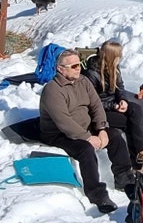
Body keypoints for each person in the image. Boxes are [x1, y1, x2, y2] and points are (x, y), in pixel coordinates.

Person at [37, 50, 117, 214]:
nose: (78, 68)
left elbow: (96, 106)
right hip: (59, 134)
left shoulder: (83, 81)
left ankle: (125, 178)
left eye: (79, 64)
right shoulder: (52, 90)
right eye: (73, 66)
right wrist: (87, 137)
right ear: (60, 69)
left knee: (114, 135)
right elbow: (63, 121)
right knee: (85, 150)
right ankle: (97, 195)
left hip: (83, 126)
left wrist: (101, 128)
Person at [83, 40, 143, 188]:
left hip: (113, 104)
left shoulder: (114, 67)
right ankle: (136, 161)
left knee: (136, 110)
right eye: (118, 56)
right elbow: (92, 102)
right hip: (98, 111)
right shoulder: (91, 74)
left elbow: (120, 87)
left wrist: (122, 100)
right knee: (128, 123)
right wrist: (113, 106)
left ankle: (142, 151)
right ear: (110, 56)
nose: (120, 58)